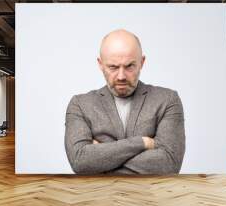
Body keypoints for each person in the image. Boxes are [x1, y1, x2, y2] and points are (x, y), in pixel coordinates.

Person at [64, 29, 185, 174]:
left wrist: (101, 158)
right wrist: (143, 143)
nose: (121, 76)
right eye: (113, 67)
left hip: (151, 196)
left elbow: (170, 164)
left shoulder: (167, 100)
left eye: (129, 66)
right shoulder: (80, 104)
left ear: (142, 62)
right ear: (100, 64)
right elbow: (80, 162)